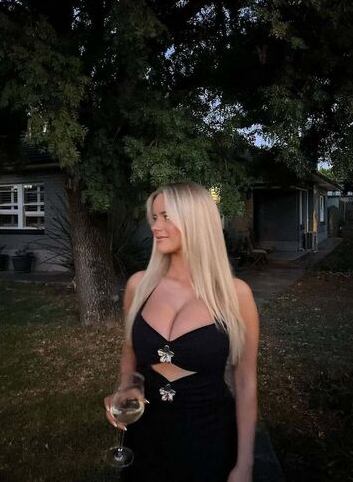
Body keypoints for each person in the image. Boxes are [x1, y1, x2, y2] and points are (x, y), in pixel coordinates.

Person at [105, 182, 259, 482]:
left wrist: (245, 465)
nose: (155, 226)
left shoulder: (236, 295)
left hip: (209, 437)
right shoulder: (139, 286)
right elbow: (130, 350)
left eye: (166, 216)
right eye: (154, 217)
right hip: (146, 436)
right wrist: (126, 388)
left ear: (195, 221)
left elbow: (245, 382)